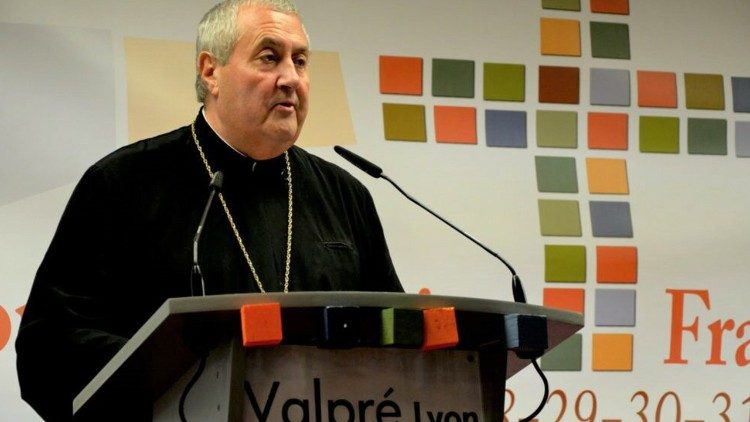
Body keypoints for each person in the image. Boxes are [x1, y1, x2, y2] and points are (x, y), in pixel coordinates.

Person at [16, 0, 403, 419]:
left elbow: (396, 337)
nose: (291, 78)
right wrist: (183, 375)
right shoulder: (124, 183)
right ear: (210, 71)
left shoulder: (345, 195)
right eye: (269, 57)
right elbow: (50, 345)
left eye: (301, 61)